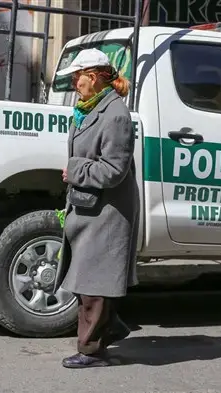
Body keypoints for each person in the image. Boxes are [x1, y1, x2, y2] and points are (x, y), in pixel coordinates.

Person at [51, 48, 140, 369]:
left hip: (108, 211)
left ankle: (91, 351)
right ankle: (110, 326)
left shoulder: (115, 115)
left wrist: (75, 170)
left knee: (93, 284)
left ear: (96, 76)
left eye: (78, 76)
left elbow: (115, 170)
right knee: (85, 277)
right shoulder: (88, 109)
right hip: (89, 206)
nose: (75, 82)